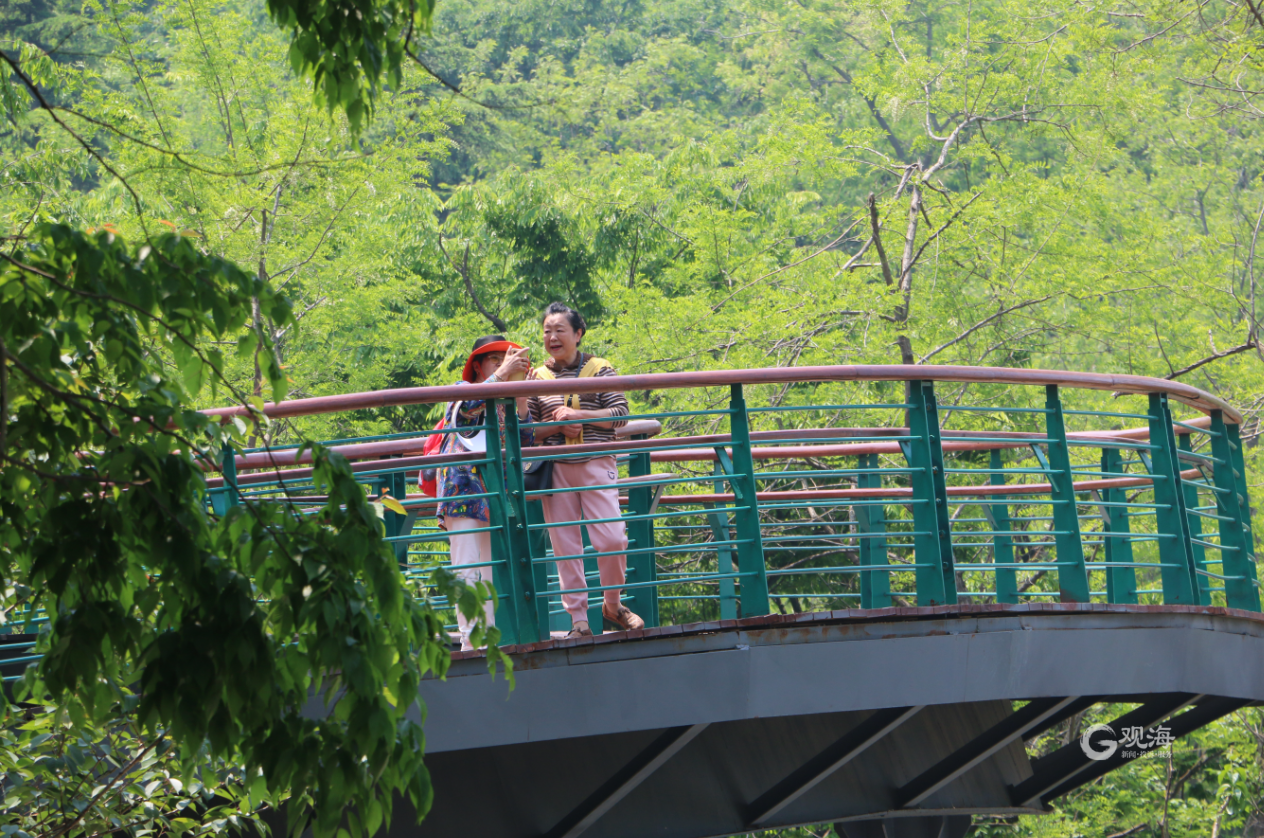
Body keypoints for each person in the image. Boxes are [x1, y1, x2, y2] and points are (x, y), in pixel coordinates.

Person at [527, 302, 644, 637]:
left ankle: (612, 605)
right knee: (565, 547)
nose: (552, 337)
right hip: (556, 469)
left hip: (596, 463)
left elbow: (620, 414)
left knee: (611, 539)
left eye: (559, 330)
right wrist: (557, 428)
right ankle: (578, 620)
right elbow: (529, 431)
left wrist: (579, 418)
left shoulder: (601, 370)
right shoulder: (537, 378)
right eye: (547, 331)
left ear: (578, 334)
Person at [437, 335, 532, 651]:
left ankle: (485, 641)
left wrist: (521, 397)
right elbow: (466, 411)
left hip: (493, 495)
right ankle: (470, 640)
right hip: (462, 490)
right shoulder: (463, 390)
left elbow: (526, 444)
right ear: (478, 366)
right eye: (497, 359)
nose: (505, 364)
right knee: (467, 567)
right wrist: (505, 374)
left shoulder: (504, 401)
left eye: (509, 358)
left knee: (488, 572)